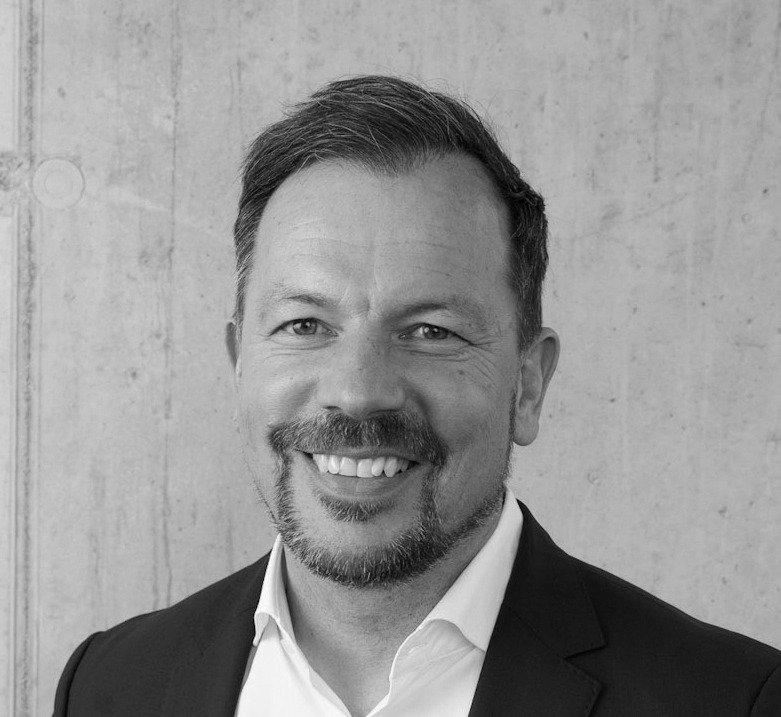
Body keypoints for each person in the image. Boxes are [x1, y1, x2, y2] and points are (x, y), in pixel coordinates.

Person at [54, 75, 779, 716]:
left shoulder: (727, 699)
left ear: (528, 384)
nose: (357, 391)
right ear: (239, 361)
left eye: (430, 331)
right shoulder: (111, 685)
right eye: (305, 325)